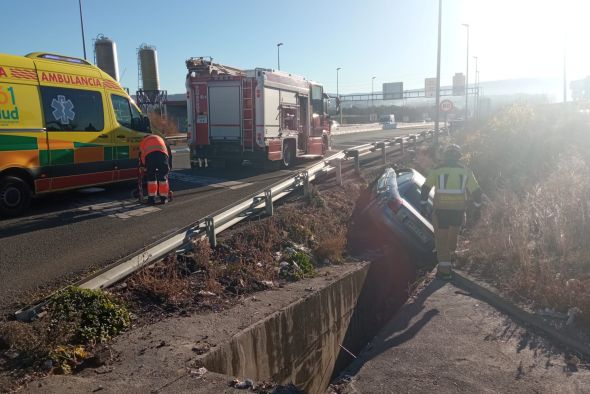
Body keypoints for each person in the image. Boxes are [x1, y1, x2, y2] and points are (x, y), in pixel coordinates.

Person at [420, 144, 481, 279]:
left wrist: (423, 205)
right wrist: (477, 207)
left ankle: (445, 271)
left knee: (441, 240)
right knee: (453, 237)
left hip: (441, 211)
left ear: (445, 156)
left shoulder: (437, 170)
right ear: (459, 157)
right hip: (458, 211)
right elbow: (476, 191)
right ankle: (450, 259)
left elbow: (425, 189)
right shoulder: (466, 171)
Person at [139, 134, 172, 205]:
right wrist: (169, 165)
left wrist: (143, 165)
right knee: (163, 178)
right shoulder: (160, 138)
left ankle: (151, 199)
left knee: (151, 179)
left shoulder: (144, 141)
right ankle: (164, 198)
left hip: (150, 157)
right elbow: (169, 152)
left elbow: (142, 154)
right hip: (163, 156)